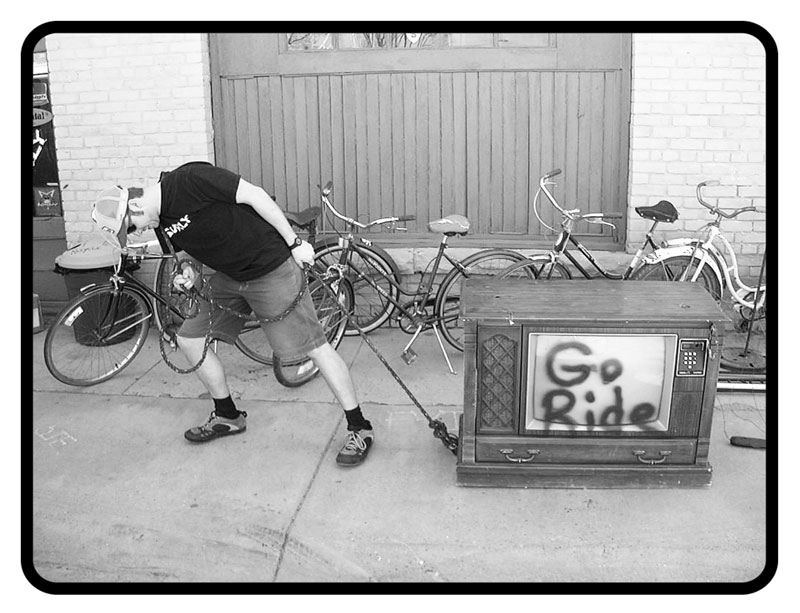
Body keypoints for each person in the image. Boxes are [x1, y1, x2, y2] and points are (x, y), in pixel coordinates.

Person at [91, 161, 374, 466]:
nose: (137, 232)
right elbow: (186, 253)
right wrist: (187, 272)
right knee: (189, 340)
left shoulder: (190, 179)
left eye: (131, 227)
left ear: (134, 204)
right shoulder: (160, 222)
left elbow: (255, 196)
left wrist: (294, 244)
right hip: (228, 277)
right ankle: (228, 415)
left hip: (271, 267)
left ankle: (360, 427)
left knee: (314, 348)